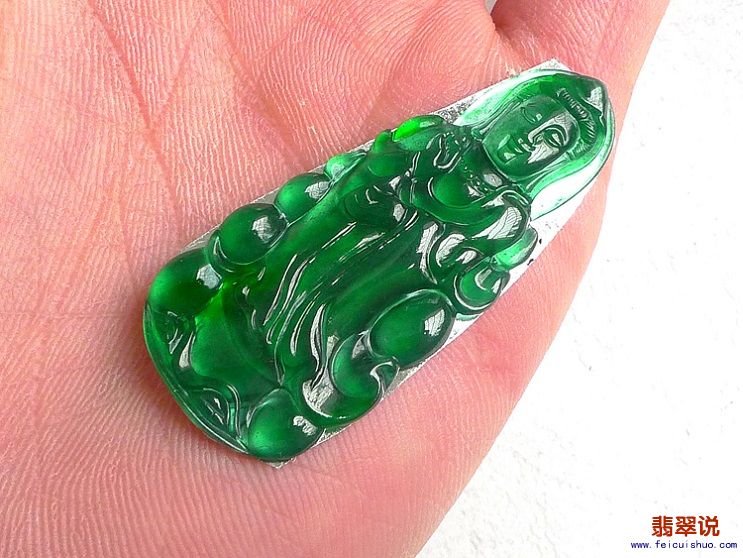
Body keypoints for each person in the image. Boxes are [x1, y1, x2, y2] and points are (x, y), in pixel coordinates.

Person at [0, 0, 668, 556]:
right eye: (531, 119)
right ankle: (212, 339)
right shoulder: (436, 141)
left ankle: (286, 389)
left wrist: (453, 266)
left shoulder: (506, 223)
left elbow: (460, 285)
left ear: (552, 165)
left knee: (332, 337)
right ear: (510, 112)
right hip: (328, 241)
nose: (531, 138)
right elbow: (352, 179)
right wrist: (377, 184)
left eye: (552, 141)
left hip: (375, 289)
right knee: (270, 289)